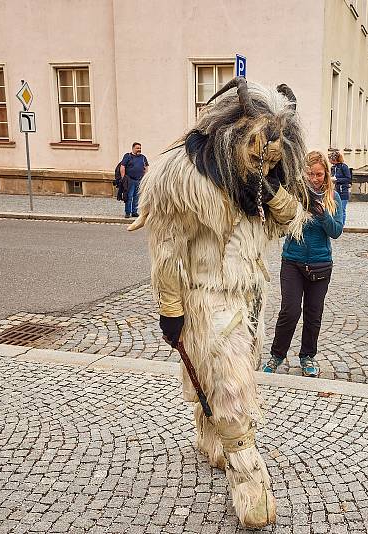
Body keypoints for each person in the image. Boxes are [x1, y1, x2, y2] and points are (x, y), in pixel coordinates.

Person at [127, 78, 309, 528]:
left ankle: (211, 438)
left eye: (273, 154)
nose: (264, 160)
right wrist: (171, 310)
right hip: (208, 297)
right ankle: (248, 478)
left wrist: (272, 189)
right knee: (230, 386)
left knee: (234, 371)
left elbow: (289, 222)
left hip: (250, 294)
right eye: (256, 152)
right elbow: (167, 253)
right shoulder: (184, 180)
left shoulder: (262, 183)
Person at [264, 150, 345, 378]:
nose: (315, 179)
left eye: (319, 175)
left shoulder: (333, 198)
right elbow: (281, 224)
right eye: (310, 174)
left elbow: (336, 231)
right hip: (293, 261)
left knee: (313, 313)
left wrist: (322, 214)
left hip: (320, 264)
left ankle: (307, 357)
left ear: (326, 175)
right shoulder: (295, 195)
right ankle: (276, 356)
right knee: (289, 311)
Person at [119, 142, 149, 218]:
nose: (139, 149)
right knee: (129, 196)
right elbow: (122, 167)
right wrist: (123, 178)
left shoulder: (143, 157)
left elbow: (146, 168)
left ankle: (134, 212)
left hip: (139, 180)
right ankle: (128, 212)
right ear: (133, 148)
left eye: (140, 148)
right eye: (137, 148)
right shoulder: (128, 156)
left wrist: (145, 178)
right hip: (130, 180)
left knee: (136, 197)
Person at [329, 149, 352, 221]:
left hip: (343, 192)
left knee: (342, 210)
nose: (329, 161)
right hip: (334, 192)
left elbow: (348, 179)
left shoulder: (344, 167)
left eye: (330, 158)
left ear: (335, 159)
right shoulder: (333, 168)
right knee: (334, 210)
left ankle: (341, 225)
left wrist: (336, 180)